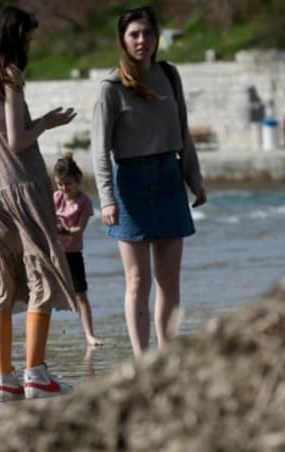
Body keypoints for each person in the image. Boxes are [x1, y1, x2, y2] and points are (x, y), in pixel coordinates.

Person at [0, 5, 79, 402]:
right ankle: (36, 374)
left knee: (3, 278)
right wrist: (47, 121)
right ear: (13, 36)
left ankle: (4, 378)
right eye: (27, 36)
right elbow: (16, 139)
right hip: (21, 185)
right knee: (40, 272)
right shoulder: (8, 75)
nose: (30, 42)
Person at [91, 6, 207, 358]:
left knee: (169, 282)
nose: (141, 40)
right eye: (133, 34)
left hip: (170, 178)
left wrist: (195, 179)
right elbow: (99, 149)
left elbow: (182, 131)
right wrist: (107, 199)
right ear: (123, 41)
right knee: (137, 281)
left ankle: (166, 358)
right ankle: (142, 362)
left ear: (157, 37)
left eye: (147, 33)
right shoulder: (111, 87)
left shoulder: (170, 76)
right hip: (131, 183)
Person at [53, 152, 102, 347]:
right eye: (60, 184)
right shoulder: (56, 197)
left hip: (73, 254)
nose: (64, 189)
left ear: (78, 180)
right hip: (54, 252)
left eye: (68, 184)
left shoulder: (84, 202)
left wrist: (60, 229)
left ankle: (89, 335)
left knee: (81, 295)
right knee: (45, 294)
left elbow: (77, 231)